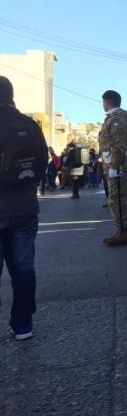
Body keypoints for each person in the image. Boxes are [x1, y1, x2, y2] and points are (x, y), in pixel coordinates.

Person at [0, 75, 48, 339]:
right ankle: (23, 325)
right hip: (25, 206)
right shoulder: (28, 124)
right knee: (24, 268)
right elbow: (42, 162)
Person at [99, 89, 127, 246]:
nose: (103, 105)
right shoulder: (114, 118)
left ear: (107, 101)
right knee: (116, 199)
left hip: (118, 167)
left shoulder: (117, 119)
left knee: (118, 200)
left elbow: (119, 145)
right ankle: (120, 230)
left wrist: (114, 167)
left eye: (103, 102)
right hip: (114, 165)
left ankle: (123, 233)